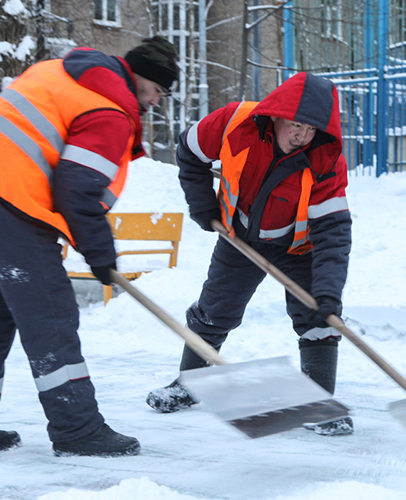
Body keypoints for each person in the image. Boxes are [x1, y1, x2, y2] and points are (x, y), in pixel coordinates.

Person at [0, 36, 179, 460]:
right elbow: (77, 190)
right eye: (159, 91)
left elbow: (4, 107)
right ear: (140, 77)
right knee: (50, 317)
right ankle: (79, 431)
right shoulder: (110, 109)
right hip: (13, 203)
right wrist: (102, 255)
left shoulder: (57, 71)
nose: (157, 102)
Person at [146, 72, 353, 436]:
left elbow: (333, 231)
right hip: (239, 237)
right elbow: (188, 152)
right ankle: (189, 384)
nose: (302, 137)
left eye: (311, 131)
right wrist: (203, 207)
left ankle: (318, 402)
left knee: (318, 318)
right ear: (277, 113)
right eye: (297, 125)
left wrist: (328, 294)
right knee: (214, 309)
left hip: (297, 246)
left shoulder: (325, 160)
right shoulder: (234, 122)